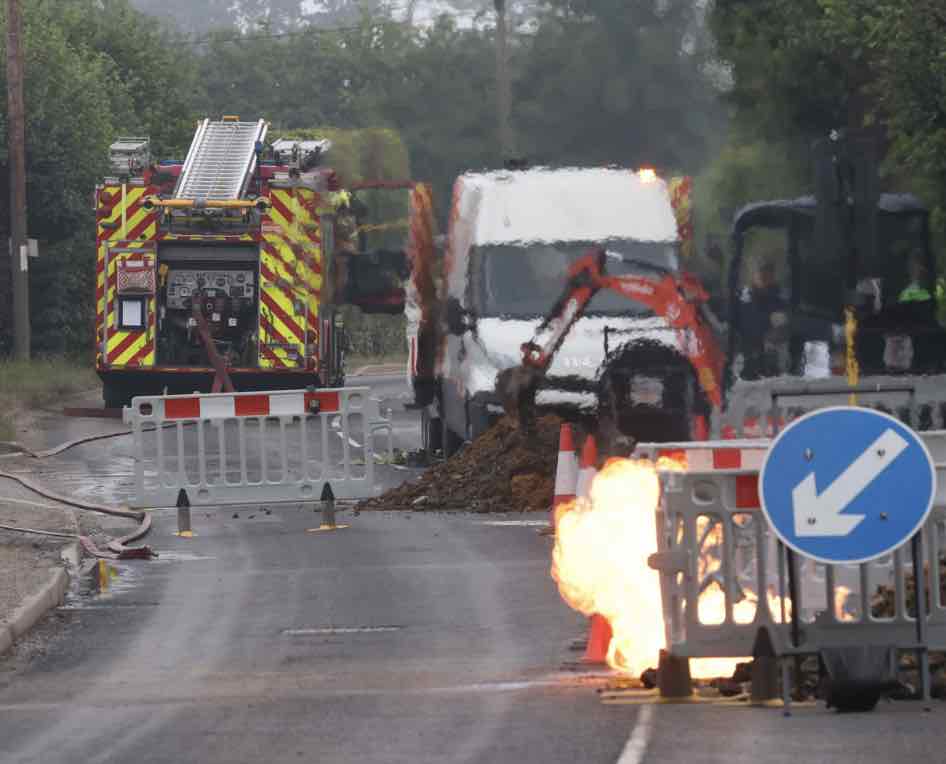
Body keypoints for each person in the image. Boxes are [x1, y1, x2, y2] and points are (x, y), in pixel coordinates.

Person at [740, 256, 790, 378]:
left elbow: (788, 323)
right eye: (760, 270)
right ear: (753, 274)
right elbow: (741, 324)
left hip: (777, 356)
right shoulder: (743, 296)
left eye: (768, 271)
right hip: (749, 356)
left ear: (772, 274)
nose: (763, 274)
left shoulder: (780, 295)